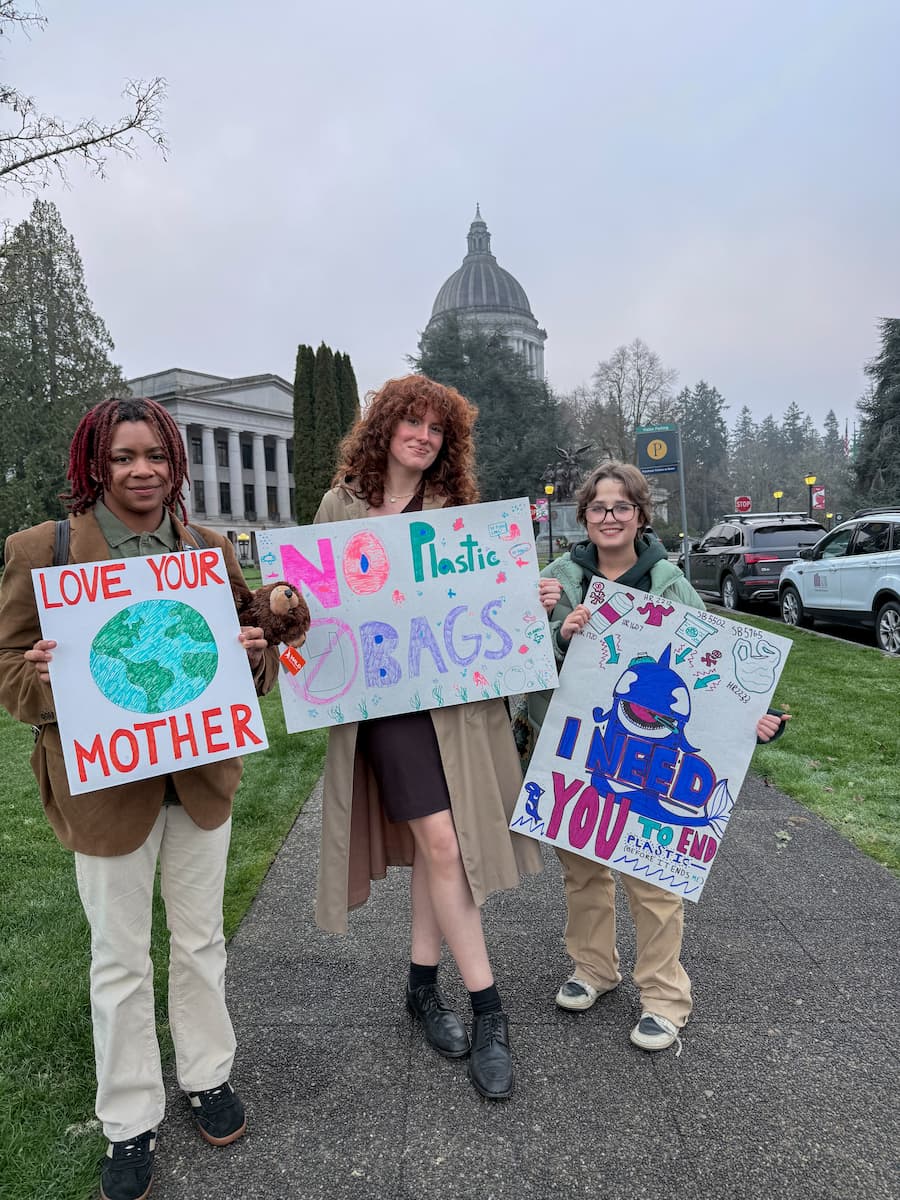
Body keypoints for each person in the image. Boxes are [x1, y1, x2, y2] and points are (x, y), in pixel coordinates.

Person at [0, 397, 280, 1200]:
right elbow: (7, 664)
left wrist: (254, 653)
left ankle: (207, 1076)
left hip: (196, 783)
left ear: (175, 462)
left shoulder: (206, 550)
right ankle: (128, 1120)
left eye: (156, 454)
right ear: (97, 464)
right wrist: (42, 678)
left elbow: (242, 668)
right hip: (104, 789)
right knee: (119, 959)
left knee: (200, 943)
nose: (143, 470)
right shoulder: (42, 551)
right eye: (125, 456)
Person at [313, 374, 543, 1100]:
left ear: (447, 444)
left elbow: (487, 595)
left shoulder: (458, 509)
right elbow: (316, 606)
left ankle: (419, 987)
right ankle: (489, 1009)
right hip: (383, 703)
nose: (422, 435)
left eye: (436, 428)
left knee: (432, 848)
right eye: (410, 421)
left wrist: (526, 592)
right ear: (384, 427)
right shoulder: (339, 505)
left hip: (451, 704)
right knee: (445, 845)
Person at [530, 460, 788, 1054]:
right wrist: (559, 634)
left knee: (652, 879)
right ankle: (594, 968)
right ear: (584, 517)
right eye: (599, 507)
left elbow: (711, 672)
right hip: (578, 754)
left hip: (656, 766)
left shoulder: (669, 582)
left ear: (641, 515)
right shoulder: (557, 578)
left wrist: (751, 722)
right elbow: (519, 660)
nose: (610, 517)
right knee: (583, 871)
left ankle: (665, 997)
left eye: (622, 507)